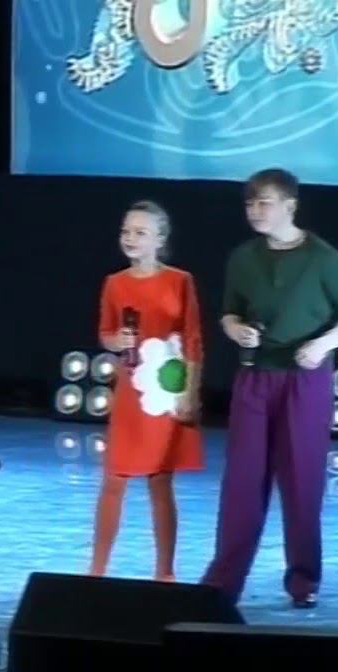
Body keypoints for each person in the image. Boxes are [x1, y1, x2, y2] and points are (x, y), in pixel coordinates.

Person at [202, 168, 338, 608]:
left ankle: (303, 579)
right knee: (242, 482)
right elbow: (229, 311)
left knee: (301, 481)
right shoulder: (243, 258)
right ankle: (223, 582)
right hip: (255, 377)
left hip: (304, 380)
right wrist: (236, 329)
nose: (255, 211)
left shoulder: (322, 258)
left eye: (265, 202)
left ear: (289, 206)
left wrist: (322, 345)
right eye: (250, 203)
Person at [89, 201, 203, 580]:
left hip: (166, 392)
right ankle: (96, 570)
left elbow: (193, 340)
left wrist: (190, 393)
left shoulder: (180, 281)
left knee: (161, 480)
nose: (130, 238)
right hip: (131, 391)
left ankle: (165, 572)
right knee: (113, 479)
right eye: (126, 231)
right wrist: (115, 341)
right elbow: (105, 334)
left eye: (140, 232)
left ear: (160, 239)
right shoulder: (115, 283)